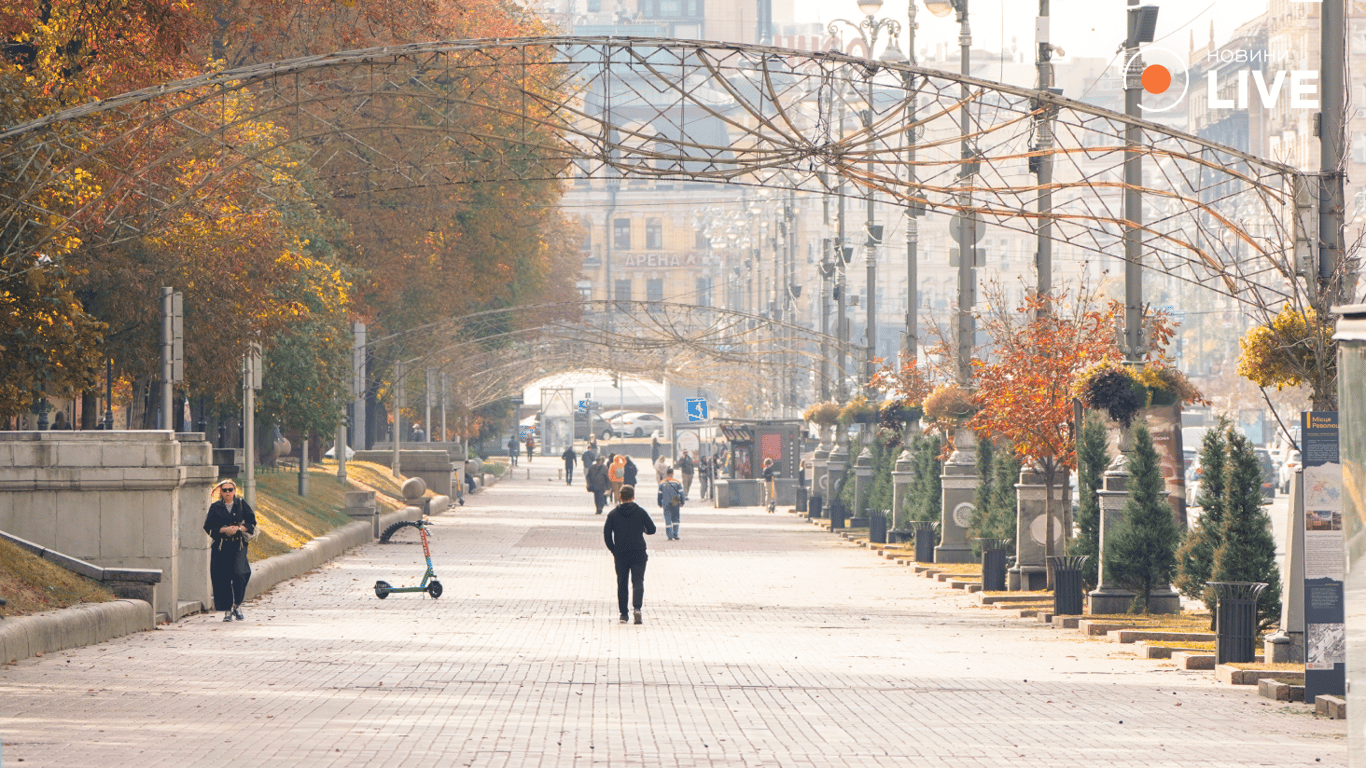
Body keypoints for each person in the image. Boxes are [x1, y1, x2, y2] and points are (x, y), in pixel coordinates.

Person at [203, 479, 257, 622]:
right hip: (221, 546)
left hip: (238, 546)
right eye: (225, 490)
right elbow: (208, 526)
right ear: (220, 492)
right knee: (223, 577)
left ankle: (237, 604)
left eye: (230, 490)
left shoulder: (241, 504)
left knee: (241, 573)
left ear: (235, 491)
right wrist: (224, 530)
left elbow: (251, 522)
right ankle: (227, 610)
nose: (228, 492)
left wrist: (238, 528)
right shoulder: (215, 507)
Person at [603, 484, 656, 624]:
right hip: (638, 552)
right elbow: (652, 529)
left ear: (620, 497)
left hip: (621, 553)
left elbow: (607, 534)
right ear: (633, 496)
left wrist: (614, 549)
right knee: (638, 581)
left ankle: (623, 614)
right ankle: (637, 608)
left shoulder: (613, 514)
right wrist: (643, 529)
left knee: (622, 583)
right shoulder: (640, 512)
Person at [658, 466, 685, 541]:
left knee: (668, 519)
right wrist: (682, 502)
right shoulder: (677, 482)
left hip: (666, 502)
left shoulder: (662, 482)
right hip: (675, 502)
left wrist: (659, 503)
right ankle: (675, 534)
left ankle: (669, 535)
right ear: (672, 473)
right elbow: (681, 493)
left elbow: (659, 494)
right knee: (676, 518)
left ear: (667, 474)